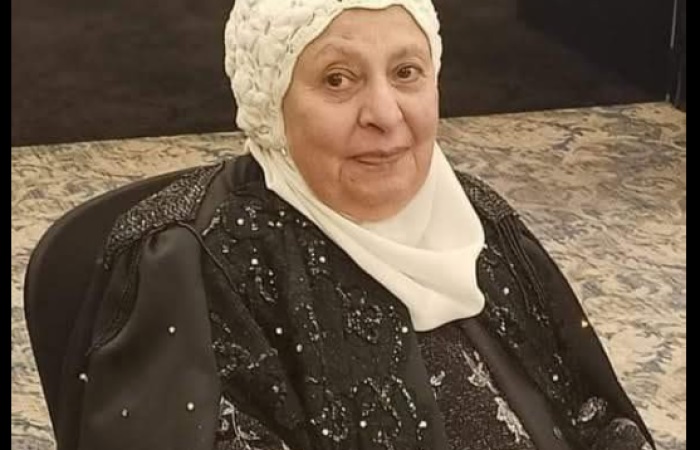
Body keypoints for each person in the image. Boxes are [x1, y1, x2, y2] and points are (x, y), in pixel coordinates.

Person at [53, 0, 656, 449]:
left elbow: (594, 419)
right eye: (337, 80)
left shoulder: (478, 220)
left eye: (407, 72)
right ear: (270, 103)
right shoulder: (193, 265)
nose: (386, 115)